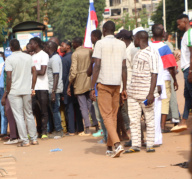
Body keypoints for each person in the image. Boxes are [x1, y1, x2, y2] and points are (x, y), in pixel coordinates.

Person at [91, 21, 127, 157]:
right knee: (112, 116)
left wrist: (91, 87)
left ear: (104, 30)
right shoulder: (122, 44)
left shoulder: (100, 44)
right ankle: (110, 147)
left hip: (104, 82)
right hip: (117, 83)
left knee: (106, 116)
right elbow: (124, 67)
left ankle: (117, 144)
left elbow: (97, 66)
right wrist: (125, 87)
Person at [124, 30, 159, 153]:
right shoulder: (137, 53)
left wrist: (151, 93)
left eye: (134, 38)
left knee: (149, 120)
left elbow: (154, 74)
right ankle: (136, 145)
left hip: (145, 94)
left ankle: (150, 144)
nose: (133, 40)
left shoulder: (152, 53)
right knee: (133, 120)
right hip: (133, 93)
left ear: (139, 39)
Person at [1, 38, 38, 147]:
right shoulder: (28, 57)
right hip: (27, 90)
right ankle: (34, 139)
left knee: (19, 116)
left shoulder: (9, 59)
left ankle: (25, 141)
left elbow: (8, 77)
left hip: (14, 91)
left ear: (11, 47)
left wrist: (7, 92)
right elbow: (34, 71)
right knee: (29, 114)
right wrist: (32, 87)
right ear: (20, 47)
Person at [149, 24, 179, 134]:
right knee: (165, 101)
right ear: (163, 34)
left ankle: (153, 125)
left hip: (151, 79)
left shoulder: (149, 46)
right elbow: (171, 67)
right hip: (164, 77)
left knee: (153, 102)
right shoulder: (165, 47)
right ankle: (162, 125)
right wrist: (175, 80)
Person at [68, 37, 97, 136]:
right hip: (89, 79)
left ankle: (87, 128)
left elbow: (73, 71)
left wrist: (70, 83)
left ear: (76, 43)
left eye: (73, 43)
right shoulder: (89, 51)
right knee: (91, 104)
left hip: (79, 81)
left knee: (83, 106)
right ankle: (96, 125)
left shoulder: (75, 54)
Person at [172, 14, 192, 133]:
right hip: (186, 68)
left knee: (190, 94)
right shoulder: (185, 34)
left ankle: (183, 121)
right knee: (188, 96)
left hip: (189, 69)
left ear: (185, 22)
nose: (178, 26)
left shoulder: (189, 34)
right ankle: (183, 121)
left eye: (179, 24)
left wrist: (190, 71)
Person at [30, 37, 50, 139]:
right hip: (33, 87)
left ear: (36, 44)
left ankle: (44, 131)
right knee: (35, 111)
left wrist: (33, 71)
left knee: (43, 110)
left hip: (42, 87)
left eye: (31, 43)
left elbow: (42, 72)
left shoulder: (44, 55)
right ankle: (38, 131)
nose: (29, 45)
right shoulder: (32, 56)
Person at [45, 41, 64, 137]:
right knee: (54, 109)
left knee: (55, 110)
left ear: (50, 47)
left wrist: (53, 91)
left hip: (54, 89)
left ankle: (59, 130)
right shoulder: (52, 58)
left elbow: (56, 75)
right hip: (52, 88)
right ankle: (57, 129)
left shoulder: (55, 59)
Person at [60, 40, 75, 135]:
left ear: (68, 46)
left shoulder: (65, 59)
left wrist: (63, 90)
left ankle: (71, 130)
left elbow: (64, 76)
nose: (60, 47)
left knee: (69, 109)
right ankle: (77, 128)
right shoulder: (73, 56)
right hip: (74, 85)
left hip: (67, 86)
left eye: (62, 45)